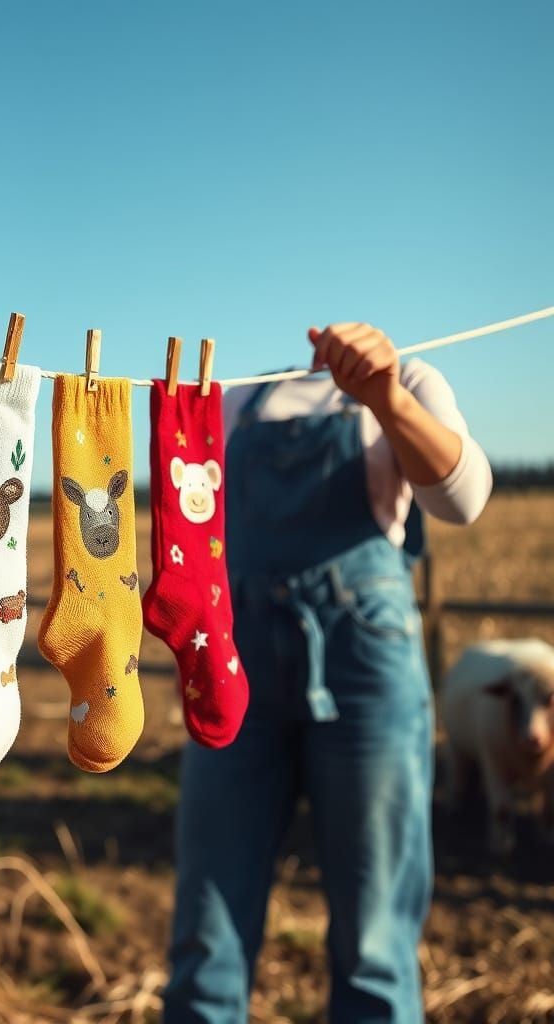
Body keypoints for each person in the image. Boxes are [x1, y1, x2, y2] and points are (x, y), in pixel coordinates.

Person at [163, 323, 493, 1023]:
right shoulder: (242, 402)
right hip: (236, 661)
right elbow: (197, 534)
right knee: (206, 929)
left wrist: (384, 399)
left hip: (364, 666)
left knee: (374, 938)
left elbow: (462, 500)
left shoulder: (411, 383)